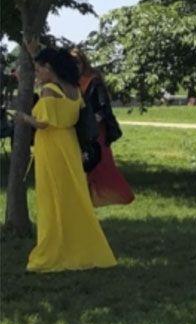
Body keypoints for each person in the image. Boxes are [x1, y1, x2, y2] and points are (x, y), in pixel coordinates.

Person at [13, 47, 116, 272]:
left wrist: (23, 117)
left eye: (40, 69)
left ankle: (53, 251)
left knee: (52, 199)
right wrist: (34, 55)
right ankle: (82, 248)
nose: (38, 73)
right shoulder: (74, 89)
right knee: (73, 197)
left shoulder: (50, 90)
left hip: (52, 147)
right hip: (69, 144)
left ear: (50, 69)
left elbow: (43, 122)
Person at [71, 48, 133, 206]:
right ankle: (86, 197)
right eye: (71, 62)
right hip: (80, 128)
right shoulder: (70, 82)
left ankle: (112, 195)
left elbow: (103, 107)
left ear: (83, 62)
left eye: (77, 61)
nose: (74, 65)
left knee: (99, 160)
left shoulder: (93, 81)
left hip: (96, 129)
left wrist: (91, 123)